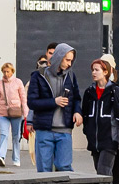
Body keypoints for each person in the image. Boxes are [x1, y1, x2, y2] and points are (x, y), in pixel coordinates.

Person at [82, 58, 119, 184]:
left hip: (110, 139)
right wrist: (87, 132)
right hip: (94, 141)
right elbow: (85, 114)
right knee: (102, 174)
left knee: (103, 172)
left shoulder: (114, 91)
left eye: (97, 70)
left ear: (106, 72)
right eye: (92, 70)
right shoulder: (89, 92)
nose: (93, 73)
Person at [28, 43, 81, 172]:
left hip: (65, 130)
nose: (69, 64)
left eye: (71, 60)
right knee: (44, 170)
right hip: (44, 130)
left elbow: (77, 98)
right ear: (58, 57)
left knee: (64, 167)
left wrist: (77, 112)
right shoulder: (38, 76)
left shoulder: (71, 76)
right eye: (67, 60)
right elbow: (32, 103)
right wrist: (54, 102)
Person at [0, 62, 27, 168]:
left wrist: (26, 113)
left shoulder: (18, 82)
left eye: (8, 71)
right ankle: (1, 156)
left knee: (16, 137)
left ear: (12, 72)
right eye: (4, 71)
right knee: (4, 134)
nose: (6, 74)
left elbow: (23, 98)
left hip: (16, 113)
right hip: (3, 113)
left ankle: (16, 159)